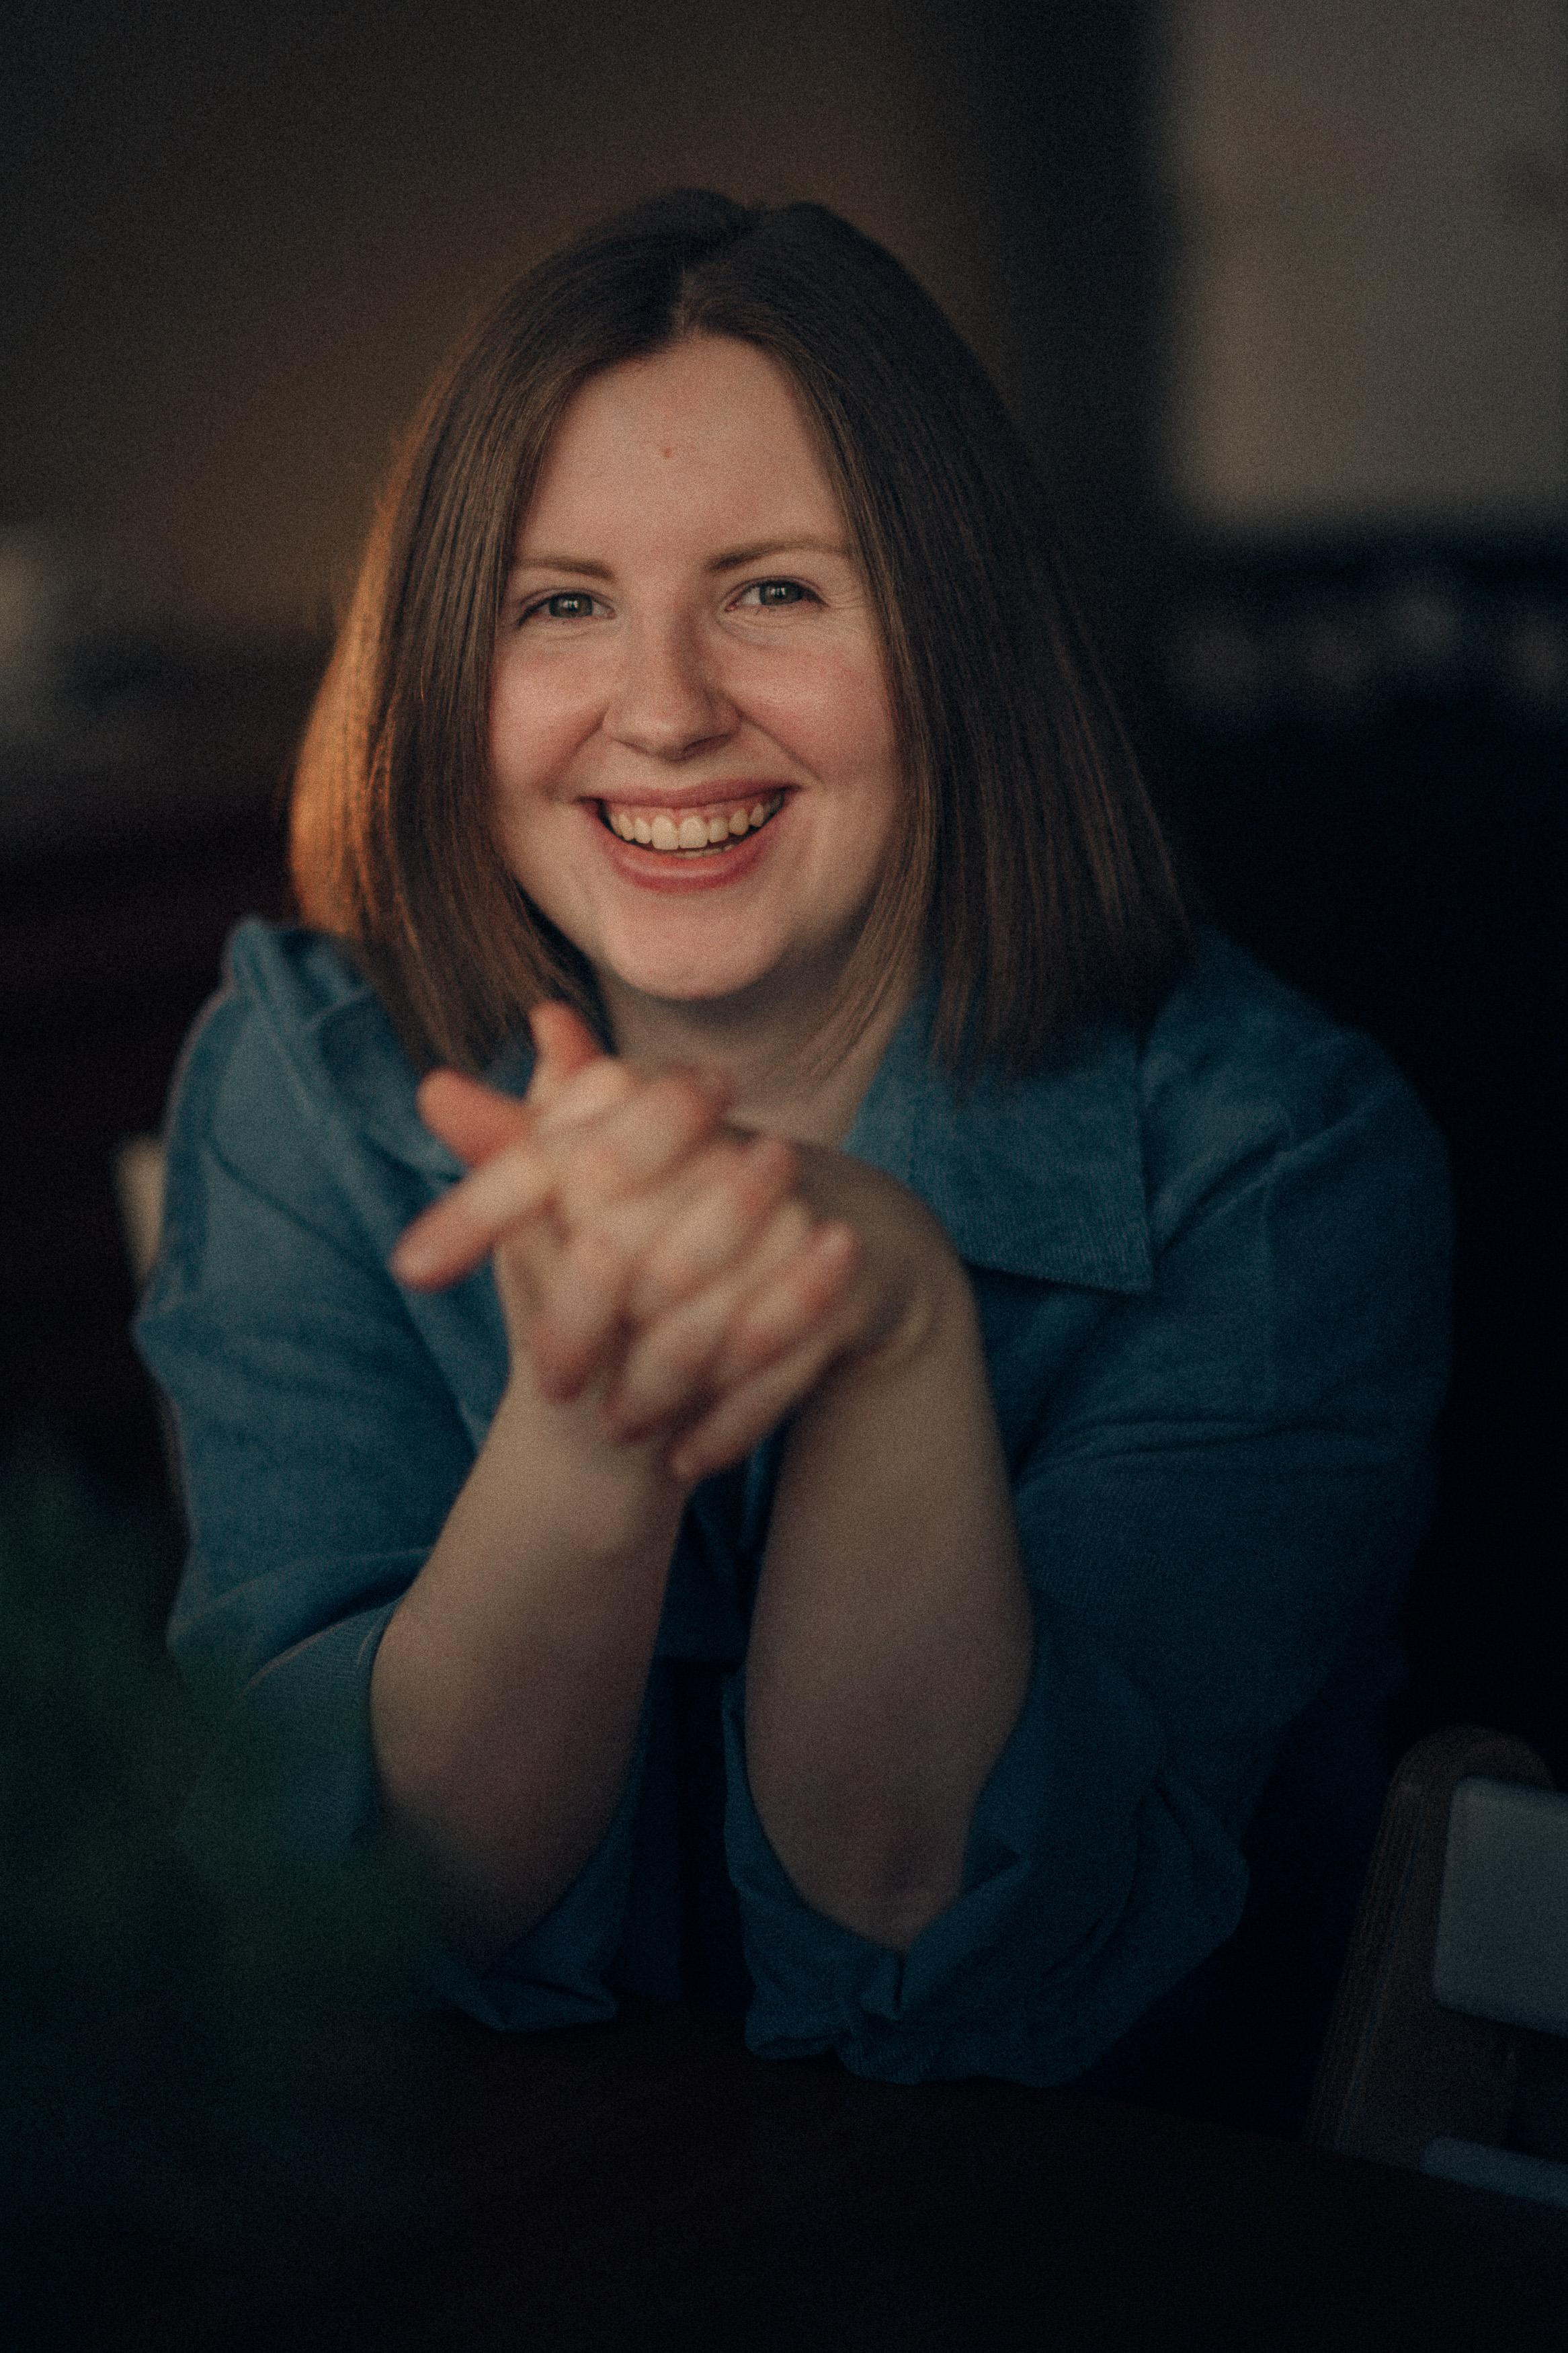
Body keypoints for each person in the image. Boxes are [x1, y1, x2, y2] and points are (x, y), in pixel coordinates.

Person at [136, 190, 1450, 2128]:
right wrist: (593, 1427)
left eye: (776, 589)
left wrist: (890, 1328)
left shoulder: (1285, 1169)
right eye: (558, 601)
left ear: (964, 647)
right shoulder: (308, 1078)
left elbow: (946, 1947)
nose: (663, 711)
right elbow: (345, 1917)